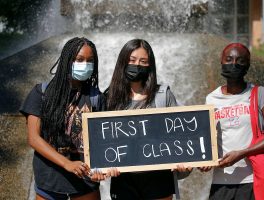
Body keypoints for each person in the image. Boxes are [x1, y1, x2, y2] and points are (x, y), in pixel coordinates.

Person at [20, 37, 109, 200]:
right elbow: (33, 138)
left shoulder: (96, 98)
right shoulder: (41, 93)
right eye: (79, 60)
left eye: (90, 61)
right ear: (67, 60)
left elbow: (102, 141)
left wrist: (100, 169)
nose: (85, 65)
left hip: (85, 183)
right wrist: (67, 163)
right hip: (49, 181)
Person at [202, 43, 264, 199]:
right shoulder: (211, 98)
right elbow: (207, 137)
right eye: (229, 59)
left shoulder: (260, 95)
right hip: (221, 182)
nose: (233, 64)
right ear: (221, 61)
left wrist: (242, 153)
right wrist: (205, 160)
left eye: (240, 61)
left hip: (253, 180)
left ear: (247, 65)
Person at [104, 39, 179, 200]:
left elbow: (180, 132)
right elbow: (101, 139)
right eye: (132, 60)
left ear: (150, 66)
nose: (137, 65)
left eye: (143, 61)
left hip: (158, 177)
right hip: (123, 178)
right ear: (122, 62)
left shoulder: (163, 95)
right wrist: (104, 165)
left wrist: (184, 161)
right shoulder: (109, 97)